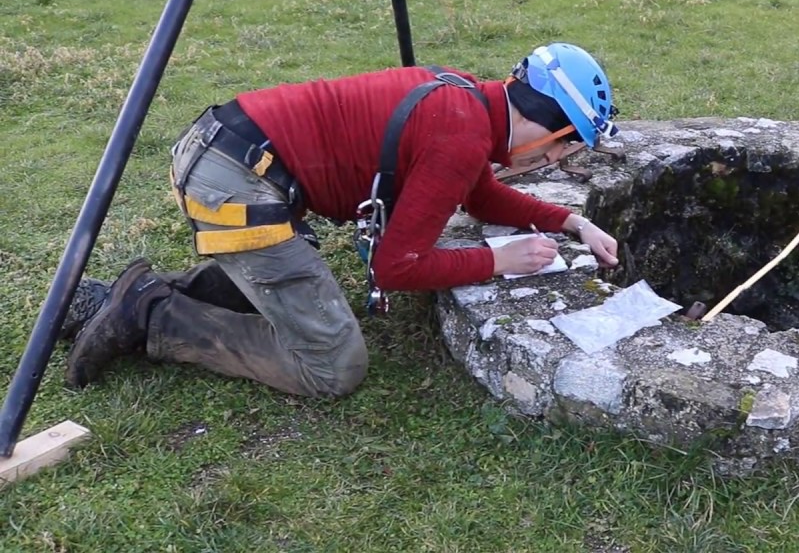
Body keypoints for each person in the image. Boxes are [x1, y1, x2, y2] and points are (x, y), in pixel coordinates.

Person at [63, 42, 623, 398]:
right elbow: (396, 267)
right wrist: (497, 261)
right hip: (239, 179)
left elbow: (481, 198)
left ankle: (130, 296)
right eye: (561, 148)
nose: (551, 162)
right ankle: (153, 314)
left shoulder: (467, 98)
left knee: (292, 285)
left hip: (230, 150)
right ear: (549, 126)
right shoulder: (460, 135)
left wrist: (572, 223)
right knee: (332, 366)